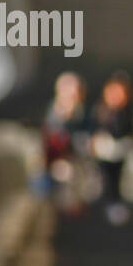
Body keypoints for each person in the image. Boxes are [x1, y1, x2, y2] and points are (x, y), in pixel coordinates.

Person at [41, 71, 91, 215]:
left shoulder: (82, 111)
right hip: (58, 158)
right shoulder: (55, 112)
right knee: (64, 176)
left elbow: (87, 131)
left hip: (78, 157)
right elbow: (52, 136)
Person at [91, 70, 133, 226]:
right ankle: (108, 204)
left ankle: (115, 205)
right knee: (107, 177)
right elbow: (96, 128)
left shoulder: (127, 112)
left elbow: (131, 130)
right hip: (105, 151)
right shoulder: (102, 110)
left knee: (116, 178)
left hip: (120, 150)